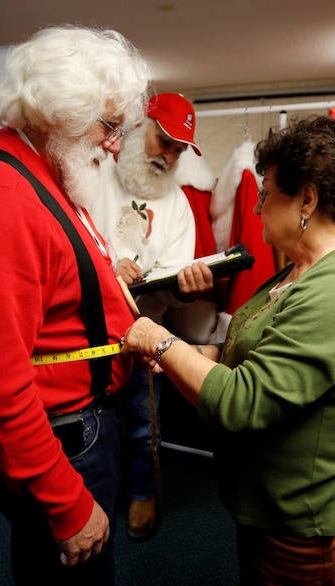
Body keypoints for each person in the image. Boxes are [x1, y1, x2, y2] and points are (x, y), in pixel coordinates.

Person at [120, 115, 335, 585]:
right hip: (270, 507)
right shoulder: (299, 272)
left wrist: (160, 340)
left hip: (305, 525)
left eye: (266, 194)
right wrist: (182, 356)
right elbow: (247, 357)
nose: (256, 209)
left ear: (307, 199)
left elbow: (241, 402)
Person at [0, 25, 153, 584]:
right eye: (109, 126)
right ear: (60, 111)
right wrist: (67, 504)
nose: (115, 145)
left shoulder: (41, 176)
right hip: (62, 445)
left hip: (82, 427)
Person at [88, 92, 211, 540]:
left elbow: (174, 285)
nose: (171, 155)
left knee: (143, 422)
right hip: (86, 330)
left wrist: (186, 287)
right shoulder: (93, 177)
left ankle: (142, 491)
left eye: (180, 149)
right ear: (139, 127)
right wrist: (107, 266)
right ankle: (93, 497)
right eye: (165, 140)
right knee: (91, 420)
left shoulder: (178, 204)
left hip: (145, 330)